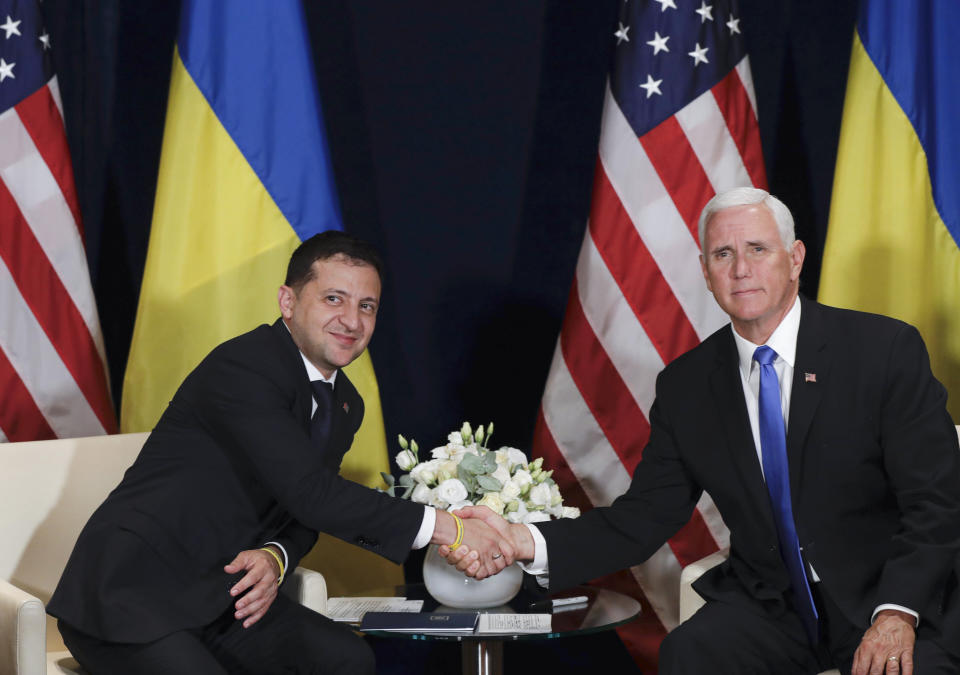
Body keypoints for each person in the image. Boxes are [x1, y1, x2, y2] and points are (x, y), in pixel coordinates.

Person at [446, 188, 960, 675]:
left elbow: (936, 500)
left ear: (795, 258)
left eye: (758, 249)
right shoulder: (687, 385)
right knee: (691, 652)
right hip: (772, 607)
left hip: (885, 596)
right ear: (705, 273)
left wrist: (898, 612)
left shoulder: (881, 350)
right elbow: (642, 519)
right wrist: (523, 541)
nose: (741, 270)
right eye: (722, 255)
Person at [47, 231, 513, 675]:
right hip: (130, 595)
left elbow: (301, 511)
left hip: (221, 597)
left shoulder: (345, 402)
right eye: (334, 298)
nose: (352, 321)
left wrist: (276, 555)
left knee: (346, 660)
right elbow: (313, 494)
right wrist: (447, 528)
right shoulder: (244, 367)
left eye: (366, 306)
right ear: (288, 301)